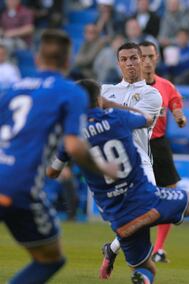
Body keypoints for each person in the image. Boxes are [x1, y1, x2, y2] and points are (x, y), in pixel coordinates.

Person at [47, 79, 189, 284]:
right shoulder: (116, 117)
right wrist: (112, 104)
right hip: (148, 200)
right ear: (99, 99)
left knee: (146, 268)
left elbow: (52, 172)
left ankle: (142, 277)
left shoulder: (71, 137)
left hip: (119, 219)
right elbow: (147, 119)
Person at [0, 29, 117, 284]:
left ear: (37, 57)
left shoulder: (12, 89)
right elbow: (74, 146)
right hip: (20, 188)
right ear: (68, 61)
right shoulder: (71, 92)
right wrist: (103, 168)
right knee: (51, 259)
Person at [98, 41, 162, 279]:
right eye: (124, 59)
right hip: (112, 165)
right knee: (134, 218)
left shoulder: (151, 94)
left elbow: (137, 119)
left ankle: (113, 249)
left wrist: (106, 106)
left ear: (143, 60)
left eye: (134, 58)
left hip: (140, 161)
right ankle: (143, 271)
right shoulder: (105, 90)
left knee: (151, 211)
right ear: (118, 64)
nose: (130, 63)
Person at [138, 40, 187, 263]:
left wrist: (179, 116)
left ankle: (158, 248)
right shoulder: (131, 88)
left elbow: (176, 102)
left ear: (157, 58)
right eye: (143, 57)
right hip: (137, 144)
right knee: (139, 199)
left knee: (170, 194)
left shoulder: (166, 85)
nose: (147, 61)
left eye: (150, 56)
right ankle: (138, 247)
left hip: (159, 145)